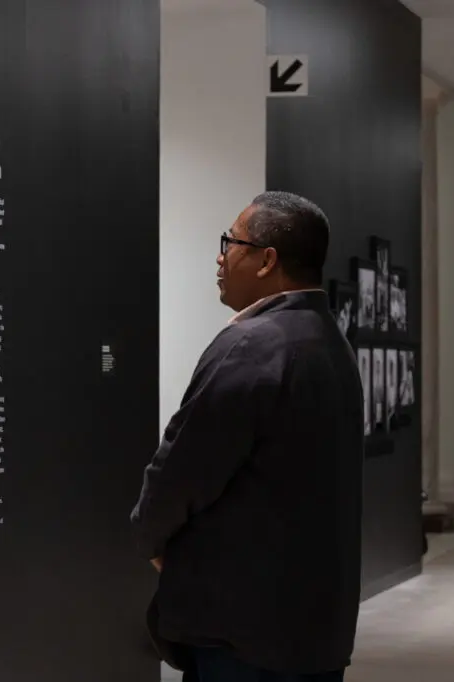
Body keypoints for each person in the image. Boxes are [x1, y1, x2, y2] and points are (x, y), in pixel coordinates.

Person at [131, 191, 364, 682]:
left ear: (267, 260)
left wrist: (151, 538)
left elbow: (181, 471)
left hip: (242, 630)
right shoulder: (330, 343)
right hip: (312, 625)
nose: (220, 256)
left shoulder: (252, 346)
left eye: (230, 242)